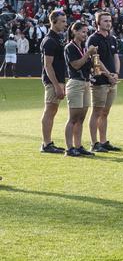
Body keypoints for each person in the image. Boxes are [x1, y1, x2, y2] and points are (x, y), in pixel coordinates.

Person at [87, 11, 122, 153]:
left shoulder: (112, 39)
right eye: (105, 21)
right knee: (96, 112)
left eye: (110, 21)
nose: (108, 23)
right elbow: (96, 60)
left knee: (105, 113)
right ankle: (94, 143)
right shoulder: (93, 39)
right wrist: (108, 75)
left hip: (112, 81)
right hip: (100, 81)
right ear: (98, 23)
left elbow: (116, 57)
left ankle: (103, 141)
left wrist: (116, 74)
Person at [63, 21, 97, 157]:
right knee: (73, 118)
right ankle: (69, 148)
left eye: (86, 32)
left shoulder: (82, 47)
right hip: (75, 83)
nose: (85, 35)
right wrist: (88, 53)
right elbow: (76, 65)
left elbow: (89, 66)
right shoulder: (70, 47)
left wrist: (93, 57)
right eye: (83, 32)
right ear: (74, 31)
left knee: (81, 118)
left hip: (85, 83)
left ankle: (78, 145)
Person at [39, 10, 68, 154]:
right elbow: (47, 65)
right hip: (52, 81)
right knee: (49, 111)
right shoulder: (49, 40)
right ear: (53, 22)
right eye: (62, 21)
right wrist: (57, 85)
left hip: (58, 79)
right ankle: (46, 144)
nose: (65, 24)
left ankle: (48, 142)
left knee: (52, 111)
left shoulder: (58, 38)